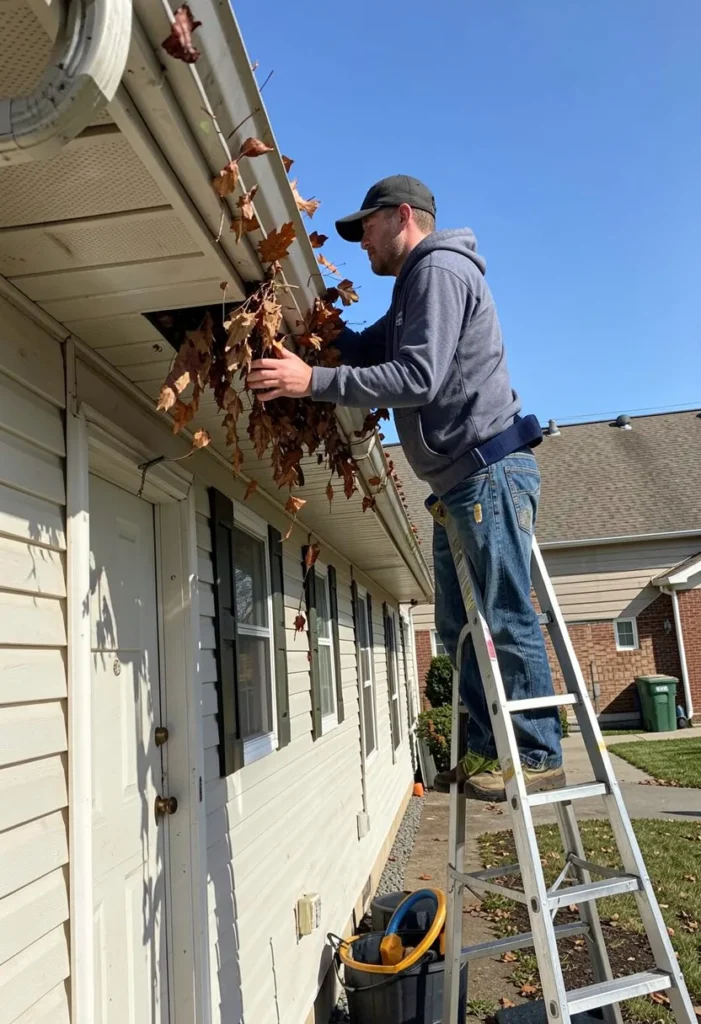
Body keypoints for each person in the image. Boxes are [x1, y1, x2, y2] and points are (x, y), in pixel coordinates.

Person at [248, 175, 564, 801]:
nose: (361, 243)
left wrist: (309, 381)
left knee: (501, 614)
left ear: (401, 218)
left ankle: (536, 751)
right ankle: (482, 749)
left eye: (365, 227)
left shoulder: (437, 272)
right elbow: (369, 348)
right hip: (459, 486)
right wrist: (308, 333)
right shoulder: (413, 292)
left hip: (487, 473)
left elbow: (418, 376)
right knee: (457, 628)